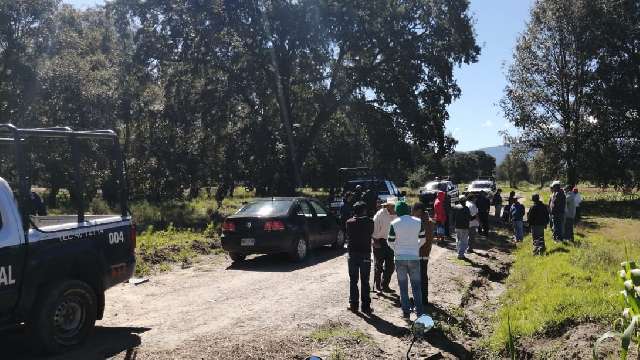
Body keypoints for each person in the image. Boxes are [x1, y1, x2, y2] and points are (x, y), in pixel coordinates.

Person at [388, 201, 426, 320]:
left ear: (398, 211)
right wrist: (416, 247)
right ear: (409, 210)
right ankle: (419, 313)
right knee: (416, 287)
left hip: (399, 258)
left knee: (403, 287)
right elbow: (423, 239)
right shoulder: (418, 222)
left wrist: (396, 250)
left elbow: (390, 241)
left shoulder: (394, 223)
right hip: (414, 257)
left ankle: (406, 313)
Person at [345, 202, 375, 314]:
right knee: (365, 281)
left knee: (353, 280)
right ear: (364, 211)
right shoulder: (370, 222)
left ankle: (353, 305)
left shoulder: (349, 222)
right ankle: (366, 307)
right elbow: (371, 233)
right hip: (365, 254)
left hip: (352, 254)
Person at [372, 198, 397, 293]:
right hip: (380, 241)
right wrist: (375, 241)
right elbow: (374, 228)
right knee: (379, 266)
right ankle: (377, 286)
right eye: (393, 205)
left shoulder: (396, 214)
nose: (394, 207)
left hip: (391, 242)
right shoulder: (380, 214)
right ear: (388, 205)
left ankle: (385, 285)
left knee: (390, 266)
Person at [412, 202, 434, 306]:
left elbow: (423, 240)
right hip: (423, 253)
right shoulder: (427, 220)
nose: (412, 213)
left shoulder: (422, 222)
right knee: (422, 275)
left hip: (420, 253)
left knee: (419, 277)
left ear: (419, 211)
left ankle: (420, 299)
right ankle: (423, 298)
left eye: (413, 211)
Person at [453, 195, 471, 260]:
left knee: (458, 239)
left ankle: (458, 252)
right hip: (464, 227)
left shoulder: (455, 207)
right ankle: (461, 255)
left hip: (457, 226)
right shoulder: (466, 208)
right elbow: (469, 218)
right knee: (464, 241)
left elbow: (453, 217)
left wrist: (453, 224)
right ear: (464, 201)